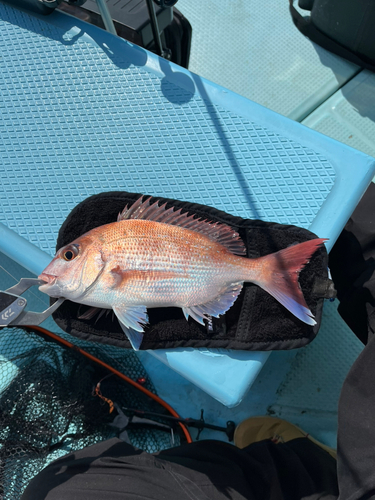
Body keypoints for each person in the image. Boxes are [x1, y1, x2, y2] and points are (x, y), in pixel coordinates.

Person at [21, 184, 375, 500]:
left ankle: (302, 465)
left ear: (99, 260)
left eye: (70, 255)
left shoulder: (113, 258)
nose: (58, 265)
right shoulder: (105, 264)